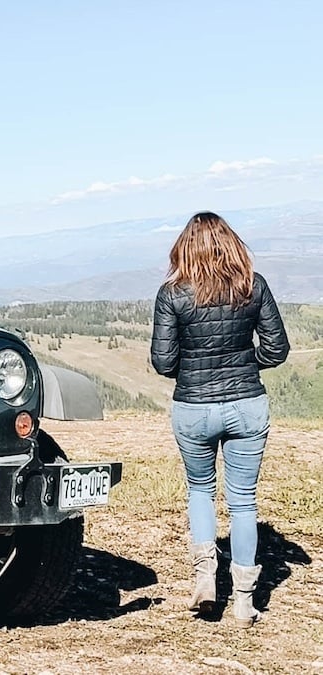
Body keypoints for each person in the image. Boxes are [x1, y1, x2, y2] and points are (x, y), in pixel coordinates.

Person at [150, 211, 289, 628]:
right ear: (232, 244)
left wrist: (193, 372)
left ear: (184, 248)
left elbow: (162, 361)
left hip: (193, 405)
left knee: (200, 491)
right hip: (247, 403)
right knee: (243, 500)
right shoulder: (253, 286)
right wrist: (247, 365)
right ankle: (244, 602)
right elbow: (277, 349)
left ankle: (205, 578)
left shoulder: (172, 294)